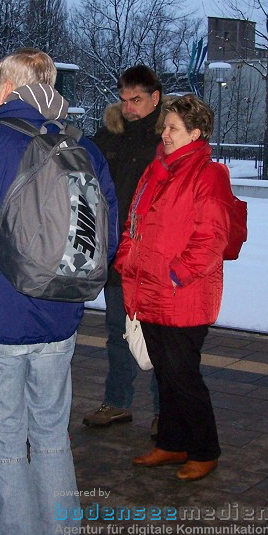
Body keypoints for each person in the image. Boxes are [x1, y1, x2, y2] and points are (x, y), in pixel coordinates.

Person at [0, 48, 119, 535]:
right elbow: (107, 235)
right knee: (53, 437)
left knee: (7, 443)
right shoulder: (85, 147)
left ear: (6, 88)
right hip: (60, 314)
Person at [117, 94, 235, 482]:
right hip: (148, 290)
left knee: (184, 377)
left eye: (172, 128)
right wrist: (126, 261)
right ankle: (172, 442)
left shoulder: (209, 174)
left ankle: (205, 449)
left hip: (182, 295)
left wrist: (174, 275)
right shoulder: (157, 169)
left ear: (195, 133)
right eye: (164, 127)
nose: (164, 134)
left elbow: (212, 238)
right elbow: (135, 222)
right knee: (165, 375)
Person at [82, 65, 162, 434]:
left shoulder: (167, 138)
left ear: (155, 98)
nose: (129, 108)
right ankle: (117, 401)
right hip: (117, 252)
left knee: (160, 334)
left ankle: (165, 409)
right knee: (117, 330)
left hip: (155, 255)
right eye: (125, 99)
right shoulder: (107, 137)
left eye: (137, 100)